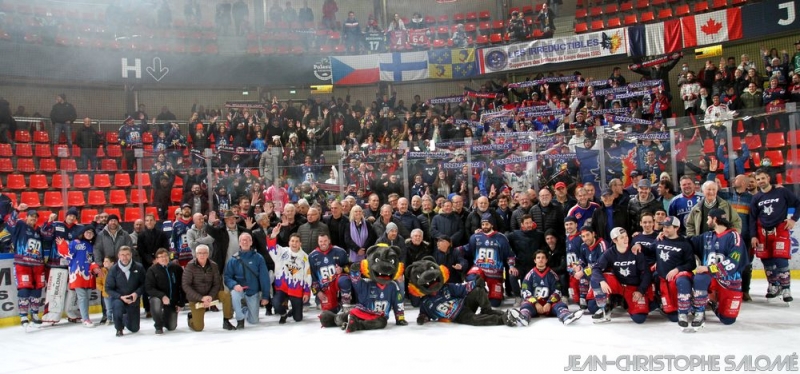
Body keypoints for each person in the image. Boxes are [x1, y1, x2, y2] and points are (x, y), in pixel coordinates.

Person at [687, 209, 747, 329]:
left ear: (715, 219)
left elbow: (732, 263)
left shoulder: (734, 237)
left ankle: (712, 302)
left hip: (729, 281)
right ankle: (699, 310)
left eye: (709, 218)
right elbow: (687, 243)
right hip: (710, 280)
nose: (707, 221)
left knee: (728, 320)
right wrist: (670, 236)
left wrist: (709, 268)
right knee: (699, 277)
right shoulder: (707, 236)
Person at [749, 168, 799, 304]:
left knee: (781, 259)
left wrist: (793, 219)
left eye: (762, 178)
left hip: (780, 229)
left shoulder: (781, 191)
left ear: (768, 178)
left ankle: (786, 288)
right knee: (767, 261)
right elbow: (752, 218)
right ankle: (774, 285)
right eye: (758, 179)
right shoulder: (756, 198)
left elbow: (798, 203)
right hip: (762, 232)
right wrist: (753, 236)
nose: (760, 181)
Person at [590, 227, 653, 324]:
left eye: (626, 236)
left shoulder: (635, 251)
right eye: (622, 237)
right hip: (618, 284)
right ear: (615, 240)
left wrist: (641, 290)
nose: (626, 239)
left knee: (639, 318)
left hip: (633, 288)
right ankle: (605, 308)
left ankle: (621, 301)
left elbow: (647, 273)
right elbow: (595, 268)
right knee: (597, 279)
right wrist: (602, 281)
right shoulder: (609, 253)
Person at [458, 214, 517, 307]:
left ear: (492, 224)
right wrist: (454, 250)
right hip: (479, 268)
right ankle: (480, 293)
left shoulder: (501, 238)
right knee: (471, 279)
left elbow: (510, 255)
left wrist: (512, 266)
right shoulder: (475, 237)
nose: (484, 226)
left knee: (495, 303)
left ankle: (496, 294)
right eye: (483, 224)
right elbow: (468, 248)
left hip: (495, 271)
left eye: (487, 224)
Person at [646, 217, 695, 327]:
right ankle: (659, 302)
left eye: (668, 227)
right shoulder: (660, 239)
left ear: (677, 228)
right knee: (672, 317)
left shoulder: (684, 243)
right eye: (663, 226)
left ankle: (687, 306)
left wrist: (677, 269)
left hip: (676, 279)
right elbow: (649, 251)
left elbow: (692, 264)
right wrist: (637, 245)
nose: (664, 229)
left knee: (674, 317)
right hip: (661, 279)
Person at [515, 250, 583, 326]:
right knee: (525, 305)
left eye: (543, 257)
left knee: (561, 304)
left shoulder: (552, 274)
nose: (540, 259)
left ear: (546, 260)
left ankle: (566, 316)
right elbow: (525, 291)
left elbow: (557, 291)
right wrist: (536, 303)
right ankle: (524, 317)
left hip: (549, 304)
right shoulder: (529, 275)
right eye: (538, 258)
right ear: (535, 260)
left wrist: (549, 303)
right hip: (535, 304)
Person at [182, 244, 236, 331]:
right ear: (196, 254)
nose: (202, 255)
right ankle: (191, 318)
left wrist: (210, 296)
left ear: (208, 254)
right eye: (200, 253)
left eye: (204, 253)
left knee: (226, 294)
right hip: (196, 298)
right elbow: (186, 285)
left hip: (211, 295)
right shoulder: (190, 266)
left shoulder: (214, 265)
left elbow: (216, 283)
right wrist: (202, 298)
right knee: (198, 328)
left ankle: (226, 320)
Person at [224, 233, 271, 329]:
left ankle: (244, 309)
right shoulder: (233, 260)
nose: (245, 242)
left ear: (251, 242)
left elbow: (264, 278)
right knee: (234, 294)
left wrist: (265, 296)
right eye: (242, 240)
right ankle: (239, 318)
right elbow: (227, 277)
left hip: (252, 291)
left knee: (254, 321)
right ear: (239, 243)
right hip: (239, 289)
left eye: (247, 240)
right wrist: (234, 285)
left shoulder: (258, 258)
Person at [56, 226, 100, 327]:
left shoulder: (90, 245)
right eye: (87, 232)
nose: (89, 234)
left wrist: (94, 267)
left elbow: (90, 260)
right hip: (77, 273)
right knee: (82, 297)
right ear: (83, 233)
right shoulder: (75, 242)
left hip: (88, 274)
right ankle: (86, 319)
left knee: (86, 297)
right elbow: (68, 255)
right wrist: (62, 245)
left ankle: (85, 317)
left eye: (91, 232)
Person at [10, 210, 47, 327]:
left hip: (37, 264)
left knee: (37, 290)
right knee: (24, 289)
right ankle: (23, 315)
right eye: (31, 216)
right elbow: (10, 223)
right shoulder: (20, 225)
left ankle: (35, 314)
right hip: (22, 263)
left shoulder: (38, 230)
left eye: (36, 217)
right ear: (26, 217)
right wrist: (17, 210)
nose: (33, 218)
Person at [267, 226, 312, 324]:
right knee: (276, 303)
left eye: (296, 241)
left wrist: (307, 292)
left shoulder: (305, 257)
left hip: (296, 288)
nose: (294, 243)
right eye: (292, 241)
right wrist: (274, 235)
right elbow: (271, 248)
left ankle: (295, 310)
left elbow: (307, 275)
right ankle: (284, 314)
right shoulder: (282, 252)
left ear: (300, 243)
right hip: (282, 287)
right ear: (289, 242)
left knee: (298, 318)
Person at [105, 246, 147, 337]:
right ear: (118, 256)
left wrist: (136, 293)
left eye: (127, 254)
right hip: (119, 298)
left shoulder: (139, 267)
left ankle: (125, 319)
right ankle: (119, 328)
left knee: (134, 329)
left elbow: (144, 284)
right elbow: (108, 288)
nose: (125, 257)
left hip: (133, 299)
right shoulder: (113, 270)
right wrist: (120, 297)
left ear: (131, 255)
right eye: (122, 255)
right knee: (117, 306)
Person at [506, 215, 545, 306]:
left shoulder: (539, 235)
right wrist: (511, 265)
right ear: (522, 224)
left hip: (534, 266)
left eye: (530, 222)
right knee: (512, 275)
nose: (529, 225)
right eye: (526, 223)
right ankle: (517, 297)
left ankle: (528, 297)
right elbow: (504, 242)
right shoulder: (514, 235)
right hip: (520, 264)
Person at [145, 248, 184, 334]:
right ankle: (158, 325)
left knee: (172, 327)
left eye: (165, 256)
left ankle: (166, 317)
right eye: (161, 256)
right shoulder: (152, 270)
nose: (164, 258)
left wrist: (181, 302)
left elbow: (182, 286)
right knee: (155, 301)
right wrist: (162, 296)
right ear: (157, 259)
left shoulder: (176, 268)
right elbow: (149, 288)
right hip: (158, 298)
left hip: (172, 300)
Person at [569, 225, 608, 309]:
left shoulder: (602, 244)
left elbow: (602, 264)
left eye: (587, 235)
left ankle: (609, 301)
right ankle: (583, 299)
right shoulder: (583, 246)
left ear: (593, 234)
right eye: (583, 236)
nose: (586, 238)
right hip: (591, 272)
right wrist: (578, 266)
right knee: (575, 274)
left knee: (583, 274)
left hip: (603, 274)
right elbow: (582, 260)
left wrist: (583, 271)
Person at [309, 233, 349, 312]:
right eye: (321, 241)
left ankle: (346, 303)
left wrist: (342, 269)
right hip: (324, 289)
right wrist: (317, 292)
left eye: (325, 241)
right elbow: (311, 277)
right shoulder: (312, 256)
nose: (323, 243)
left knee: (344, 280)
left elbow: (350, 267)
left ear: (329, 241)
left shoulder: (340, 251)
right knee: (329, 312)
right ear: (318, 242)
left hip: (338, 285)